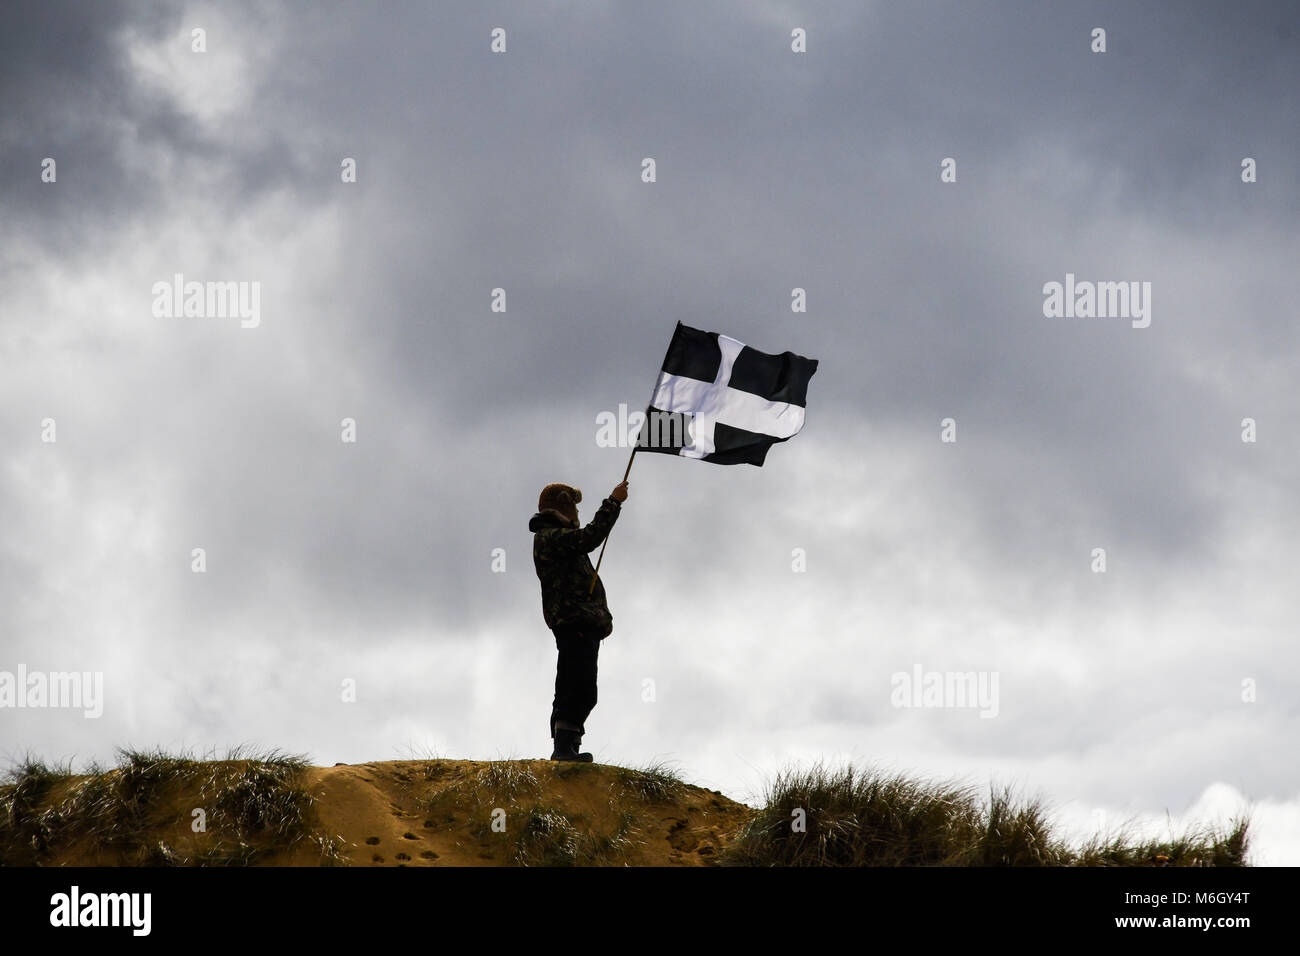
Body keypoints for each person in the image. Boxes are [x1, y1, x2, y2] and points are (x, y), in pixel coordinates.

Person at [528, 479, 629, 761]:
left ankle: (570, 744)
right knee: (575, 683)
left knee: (582, 685)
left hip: (581, 623)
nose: (577, 514)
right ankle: (563, 747)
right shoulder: (552, 537)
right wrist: (614, 501)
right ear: (563, 507)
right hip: (574, 623)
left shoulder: (555, 538)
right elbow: (590, 537)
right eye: (573, 507)